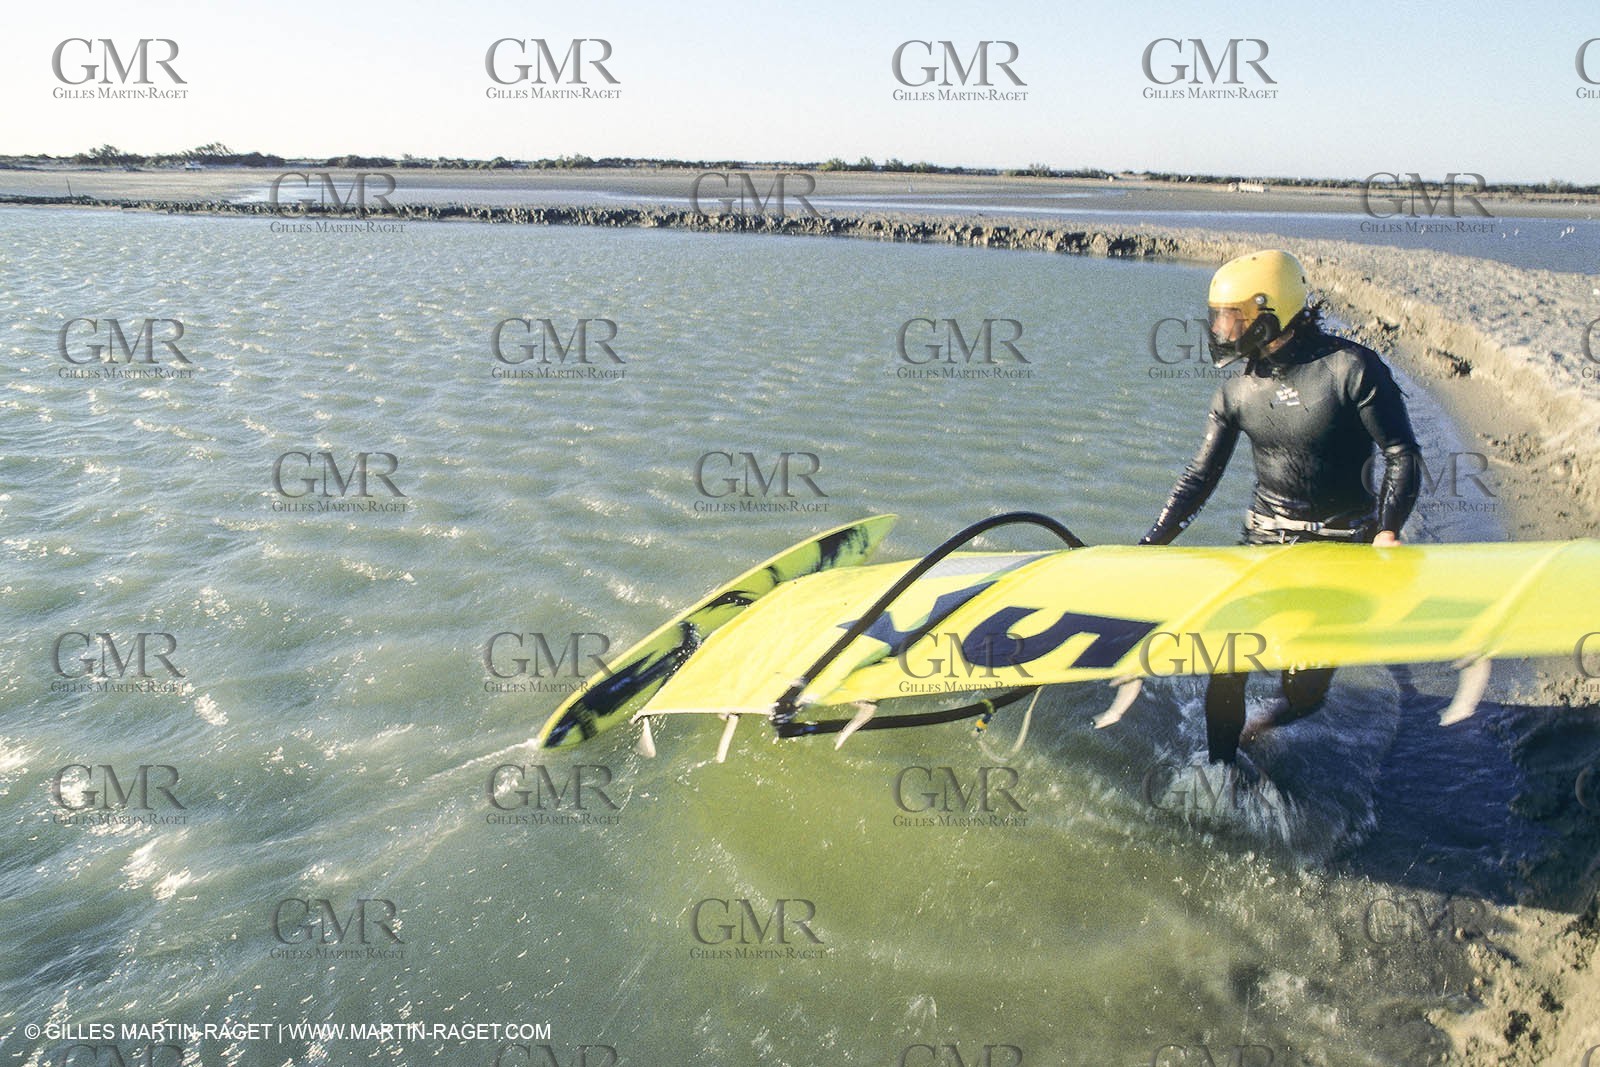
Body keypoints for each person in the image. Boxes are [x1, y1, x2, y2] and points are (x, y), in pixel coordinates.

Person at [1139, 249, 1421, 763]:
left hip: (1341, 551)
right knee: (1227, 660)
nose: (1222, 330)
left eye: (1234, 317)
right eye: (1218, 317)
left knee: (1306, 695)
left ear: (1272, 312)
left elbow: (1402, 454)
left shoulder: (1350, 369)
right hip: (1264, 545)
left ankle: (1261, 723)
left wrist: (1388, 531)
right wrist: (1150, 544)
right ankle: (1222, 771)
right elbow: (1199, 478)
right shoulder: (1236, 391)